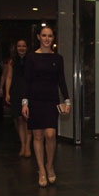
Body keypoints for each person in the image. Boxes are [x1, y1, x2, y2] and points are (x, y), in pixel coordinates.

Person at [22, 25, 70, 187]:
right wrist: (24, 103)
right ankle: (41, 169)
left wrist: (67, 100)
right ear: (38, 37)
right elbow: (27, 81)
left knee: (50, 134)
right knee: (37, 136)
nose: (47, 39)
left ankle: (50, 165)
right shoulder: (31, 57)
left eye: (50, 36)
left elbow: (61, 80)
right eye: (44, 35)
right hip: (35, 100)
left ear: (53, 38)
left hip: (51, 100)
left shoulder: (58, 58)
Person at [4, 38, 31, 157]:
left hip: (28, 91)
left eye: (23, 46)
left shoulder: (31, 60)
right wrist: (7, 92)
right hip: (16, 91)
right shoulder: (12, 61)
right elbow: (9, 77)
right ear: (16, 48)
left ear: (27, 47)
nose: (21, 48)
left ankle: (28, 146)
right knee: (19, 119)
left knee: (28, 120)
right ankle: (23, 145)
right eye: (19, 46)